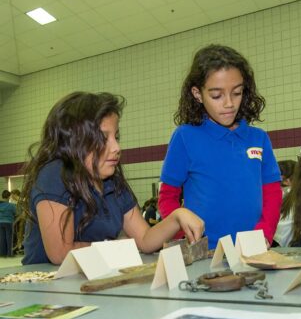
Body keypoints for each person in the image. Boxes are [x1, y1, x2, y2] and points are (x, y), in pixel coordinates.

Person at [21, 92, 204, 265]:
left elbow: (145, 240)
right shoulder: (55, 174)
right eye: (103, 138)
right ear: (74, 141)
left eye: (116, 137)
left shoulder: (113, 182)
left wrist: (176, 217)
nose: (116, 147)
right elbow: (60, 253)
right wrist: (118, 246)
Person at [158, 44, 282, 249]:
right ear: (198, 94)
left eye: (237, 93)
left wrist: (265, 233)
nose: (229, 104)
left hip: (252, 249)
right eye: (217, 95)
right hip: (205, 252)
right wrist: (186, 235)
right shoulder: (185, 137)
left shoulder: (258, 138)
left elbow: (272, 193)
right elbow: (167, 197)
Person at [0, 190, 16, 257]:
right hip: (9, 223)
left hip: (0, 222)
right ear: (9, 197)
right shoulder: (12, 205)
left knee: (2, 238)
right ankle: (10, 254)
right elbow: (16, 213)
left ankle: (2, 254)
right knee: (9, 238)